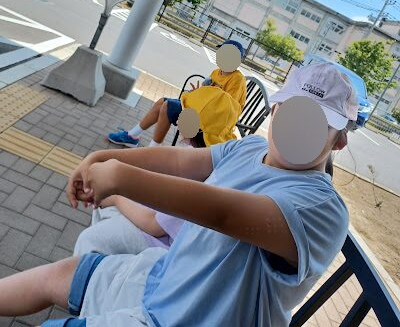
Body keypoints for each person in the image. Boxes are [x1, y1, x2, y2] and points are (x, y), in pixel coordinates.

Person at [0, 62, 357, 327]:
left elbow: (224, 214)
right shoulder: (249, 148)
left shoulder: (321, 208)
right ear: (275, 109)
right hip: (163, 280)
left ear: (339, 141)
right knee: (58, 275)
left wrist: (120, 177)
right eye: (292, 111)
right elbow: (179, 160)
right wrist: (102, 157)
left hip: (183, 318)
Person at [107, 39, 247, 147]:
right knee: (162, 102)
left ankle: (152, 149)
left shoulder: (237, 79)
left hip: (211, 122)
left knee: (168, 106)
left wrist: (202, 95)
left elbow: (227, 109)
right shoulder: (216, 72)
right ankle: (132, 136)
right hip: (200, 110)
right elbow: (209, 94)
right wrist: (198, 93)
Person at [73, 195, 184, 256]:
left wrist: (115, 199)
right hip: (155, 216)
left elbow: (153, 225)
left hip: (159, 243)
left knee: (89, 240)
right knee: (104, 196)